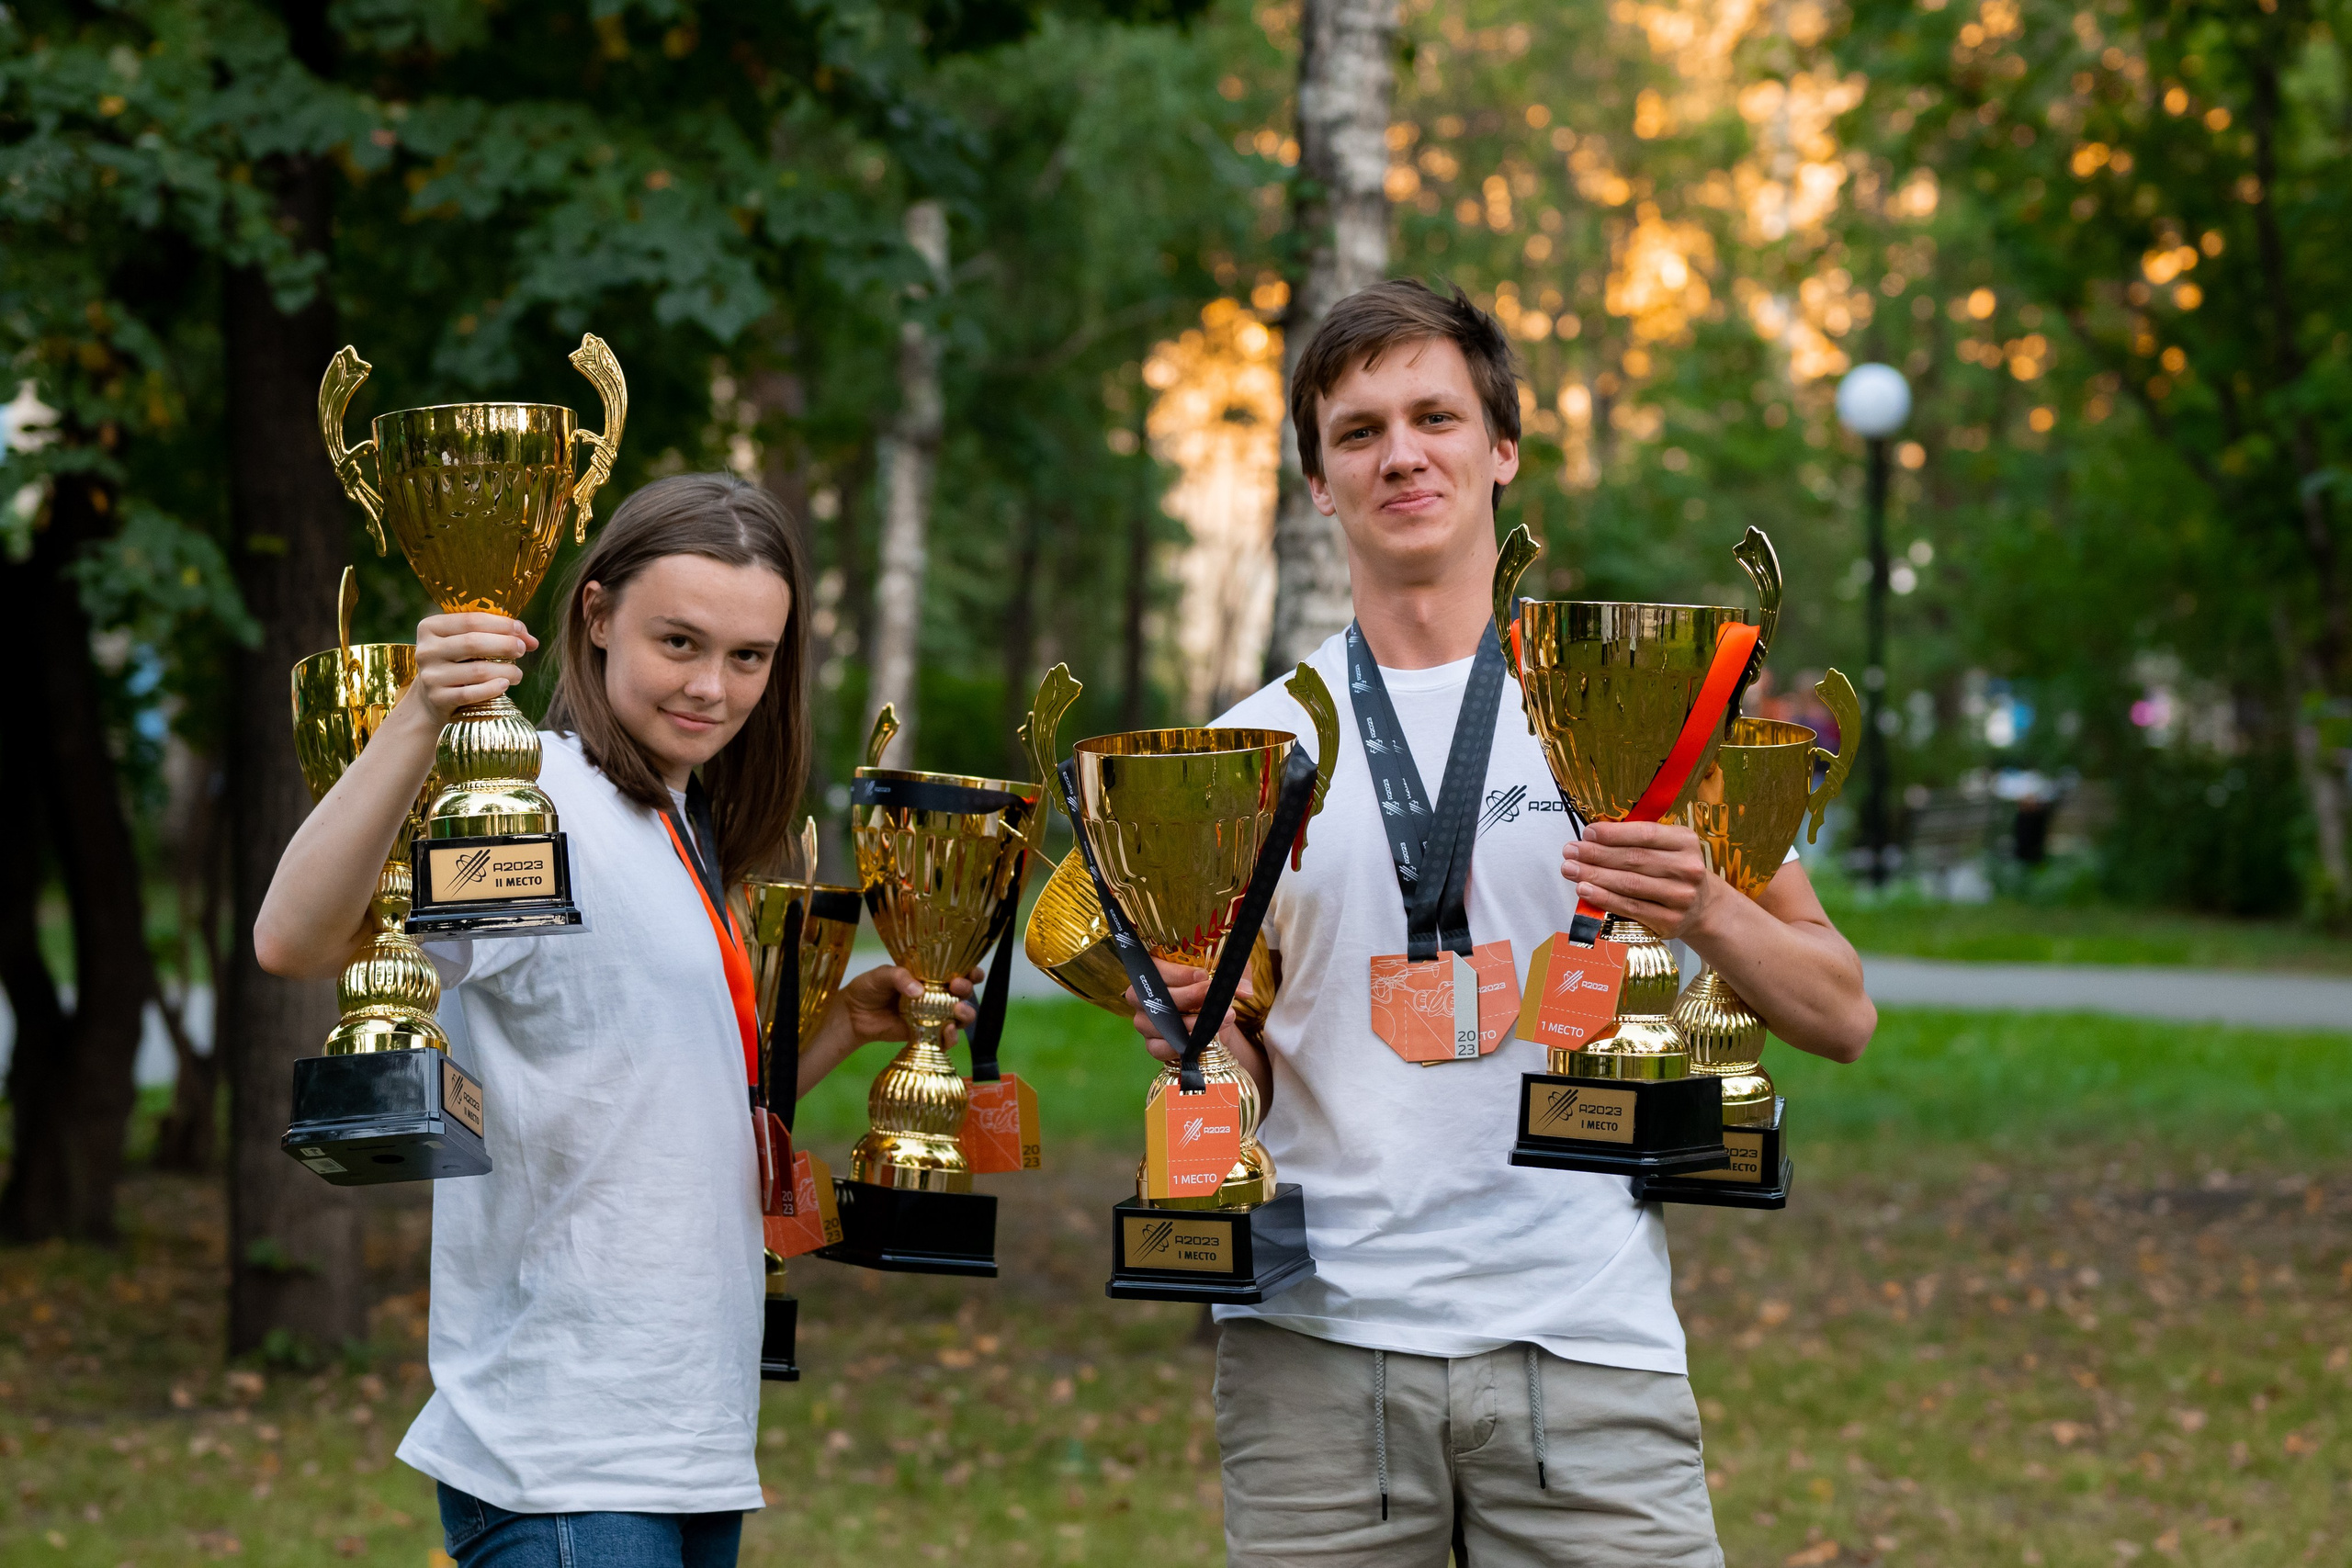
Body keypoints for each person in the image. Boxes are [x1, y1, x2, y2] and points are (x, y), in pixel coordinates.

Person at [1134, 281, 1878, 1567]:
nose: (1402, 453)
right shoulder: (1250, 749)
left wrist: (1702, 903)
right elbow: (1257, 1052)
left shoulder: (1647, 712)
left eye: (1436, 415)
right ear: (1319, 480)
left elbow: (1840, 1010)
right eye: (1359, 430)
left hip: (1585, 1353)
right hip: (1320, 1369)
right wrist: (1204, 1039)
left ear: (1503, 449)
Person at [256, 474, 970, 1568]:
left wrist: (835, 1033)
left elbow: (659, 1103)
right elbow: (297, 940)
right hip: (566, 1456)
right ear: (594, 618)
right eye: (678, 642)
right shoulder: (529, 794)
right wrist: (417, 715)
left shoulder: (678, 820)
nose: (713, 688)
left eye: (749, 657)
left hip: (685, 1438)